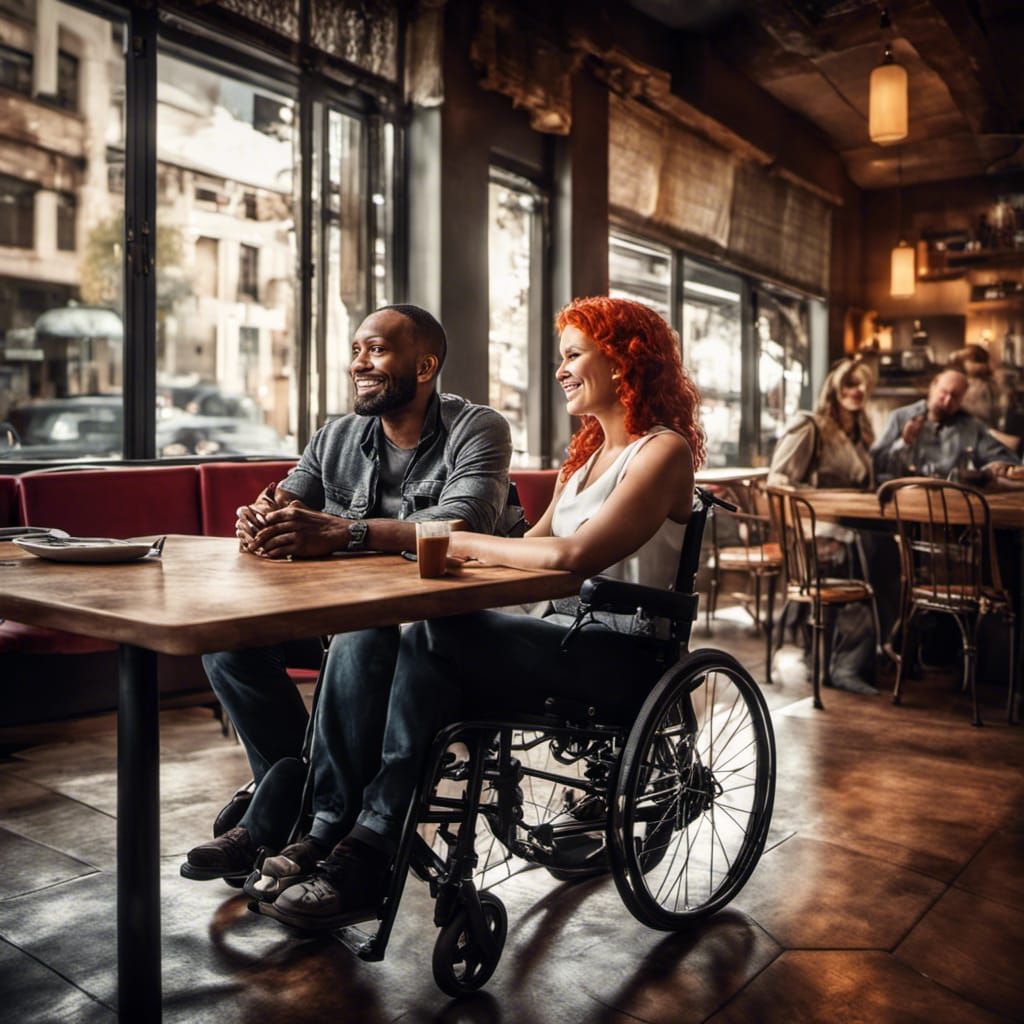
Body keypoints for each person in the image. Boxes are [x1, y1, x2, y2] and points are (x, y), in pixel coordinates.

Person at [255, 296, 702, 931]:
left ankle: (371, 847)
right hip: (558, 638)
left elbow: (572, 558)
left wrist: (448, 540)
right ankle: (328, 825)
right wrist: (448, 559)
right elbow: (524, 553)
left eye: (573, 355)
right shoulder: (587, 463)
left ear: (625, 359)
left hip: (622, 657)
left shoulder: (664, 452)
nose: (560, 370)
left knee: (434, 637)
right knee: (378, 627)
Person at [181, 304, 522, 887]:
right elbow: (287, 500)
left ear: (425, 365)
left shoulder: (478, 429)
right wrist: (261, 520)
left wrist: (345, 532)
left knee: (362, 635)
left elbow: (467, 522)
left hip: (435, 633)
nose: (358, 363)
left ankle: (306, 822)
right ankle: (286, 800)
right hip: (343, 623)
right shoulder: (335, 436)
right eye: (357, 350)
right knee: (229, 640)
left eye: (377, 350)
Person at [768, 357, 880, 695]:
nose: (856, 390)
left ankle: (865, 654)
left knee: (887, 553)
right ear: (834, 389)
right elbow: (778, 480)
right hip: (815, 529)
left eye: (862, 385)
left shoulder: (862, 434)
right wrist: (819, 504)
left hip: (851, 525)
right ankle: (844, 664)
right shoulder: (811, 427)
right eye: (849, 384)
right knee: (867, 559)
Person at [871, 368, 1020, 483]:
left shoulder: (971, 426)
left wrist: (997, 465)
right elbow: (877, 463)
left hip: (954, 503)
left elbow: (1003, 458)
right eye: (944, 392)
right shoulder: (900, 417)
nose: (948, 401)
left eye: (955, 396)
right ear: (933, 387)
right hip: (906, 501)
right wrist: (904, 441)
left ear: (962, 399)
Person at [768, 357, 874, 490]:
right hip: (816, 509)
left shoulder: (860, 436)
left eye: (865, 385)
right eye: (851, 383)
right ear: (835, 388)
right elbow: (778, 483)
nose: (860, 389)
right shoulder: (808, 427)